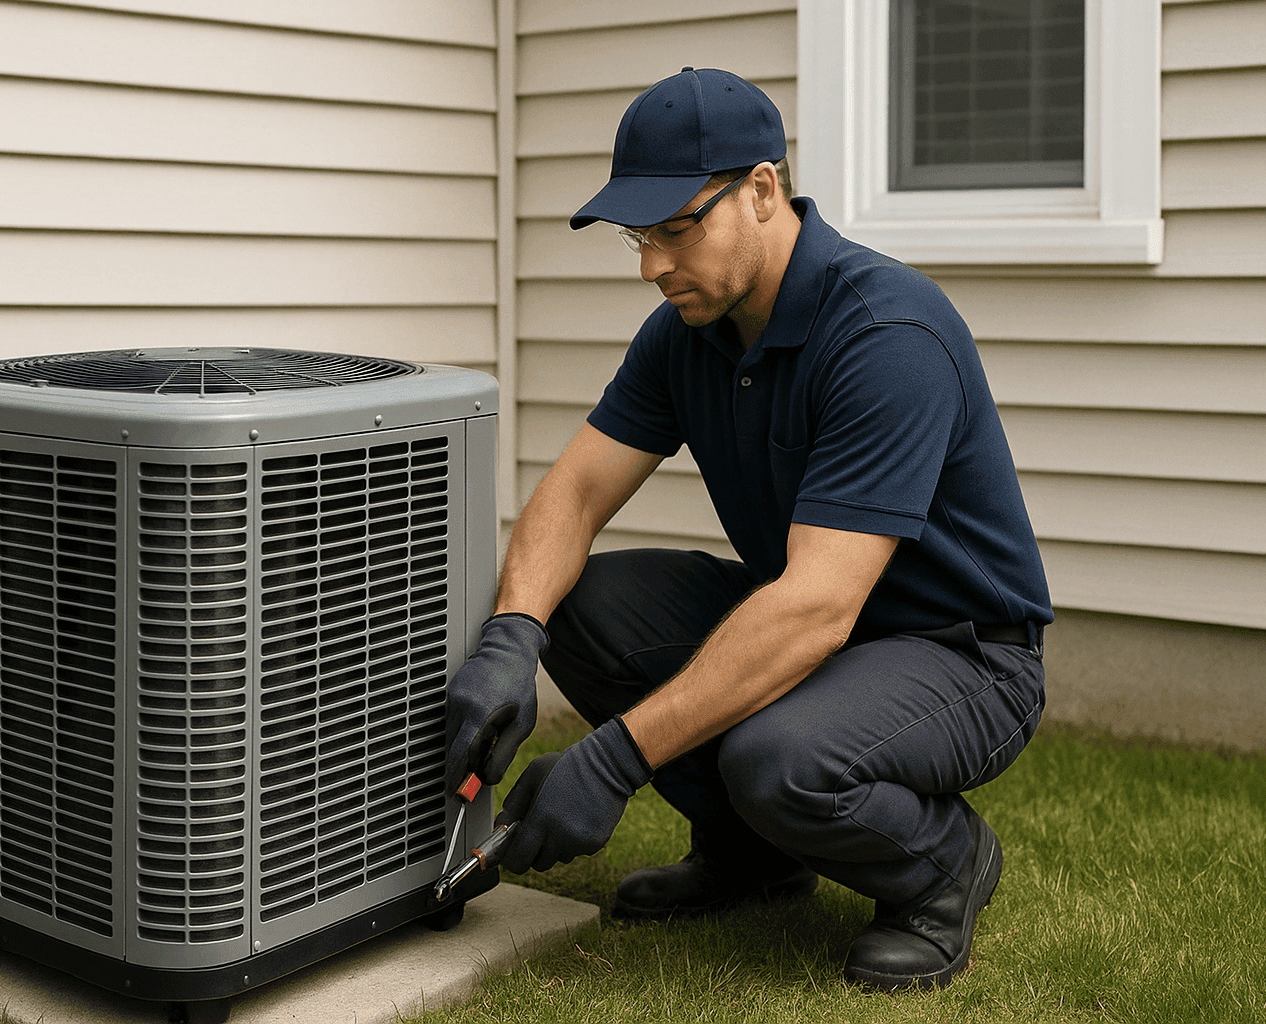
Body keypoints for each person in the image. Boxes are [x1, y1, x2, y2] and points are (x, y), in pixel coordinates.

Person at [444, 67, 1052, 991]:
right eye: (638, 236)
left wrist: (613, 762)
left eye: (676, 229)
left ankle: (942, 866)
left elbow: (815, 608)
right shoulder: (688, 329)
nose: (651, 265)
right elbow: (574, 495)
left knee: (779, 758)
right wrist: (511, 638)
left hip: (960, 653)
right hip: (816, 620)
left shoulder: (887, 333)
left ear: (763, 190)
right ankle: (753, 857)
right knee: (580, 607)